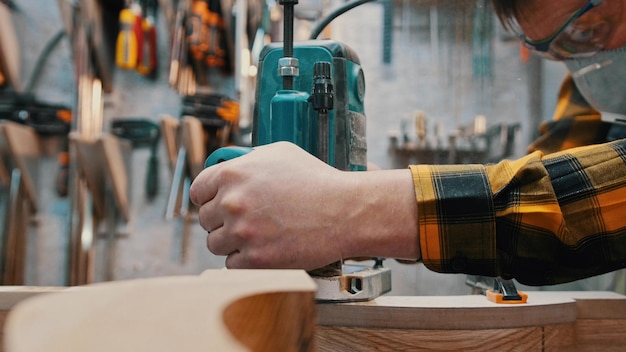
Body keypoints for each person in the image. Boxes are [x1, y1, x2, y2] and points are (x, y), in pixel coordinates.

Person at [190, 0, 626, 287]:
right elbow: (545, 181)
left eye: (590, 32)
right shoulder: (591, 88)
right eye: (556, 50)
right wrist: (365, 190)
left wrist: (355, 210)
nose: (585, 59)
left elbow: (584, 203)